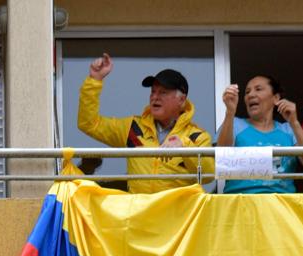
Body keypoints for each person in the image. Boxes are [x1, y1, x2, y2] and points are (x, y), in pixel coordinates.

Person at [77, 53, 215, 193]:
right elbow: (89, 123)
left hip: (177, 214)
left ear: (181, 100)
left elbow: (208, 175)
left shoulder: (197, 136)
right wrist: (94, 80)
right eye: (153, 92)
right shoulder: (133, 127)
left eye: (163, 92)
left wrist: (185, 146)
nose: (155, 97)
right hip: (140, 213)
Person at [217, 75, 303, 194]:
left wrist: (294, 122)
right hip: (240, 203)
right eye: (247, 92)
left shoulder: (288, 129)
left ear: (276, 98)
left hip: (280, 205)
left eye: (258, 89)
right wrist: (230, 112)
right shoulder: (234, 124)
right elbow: (222, 159)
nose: (251, 95)